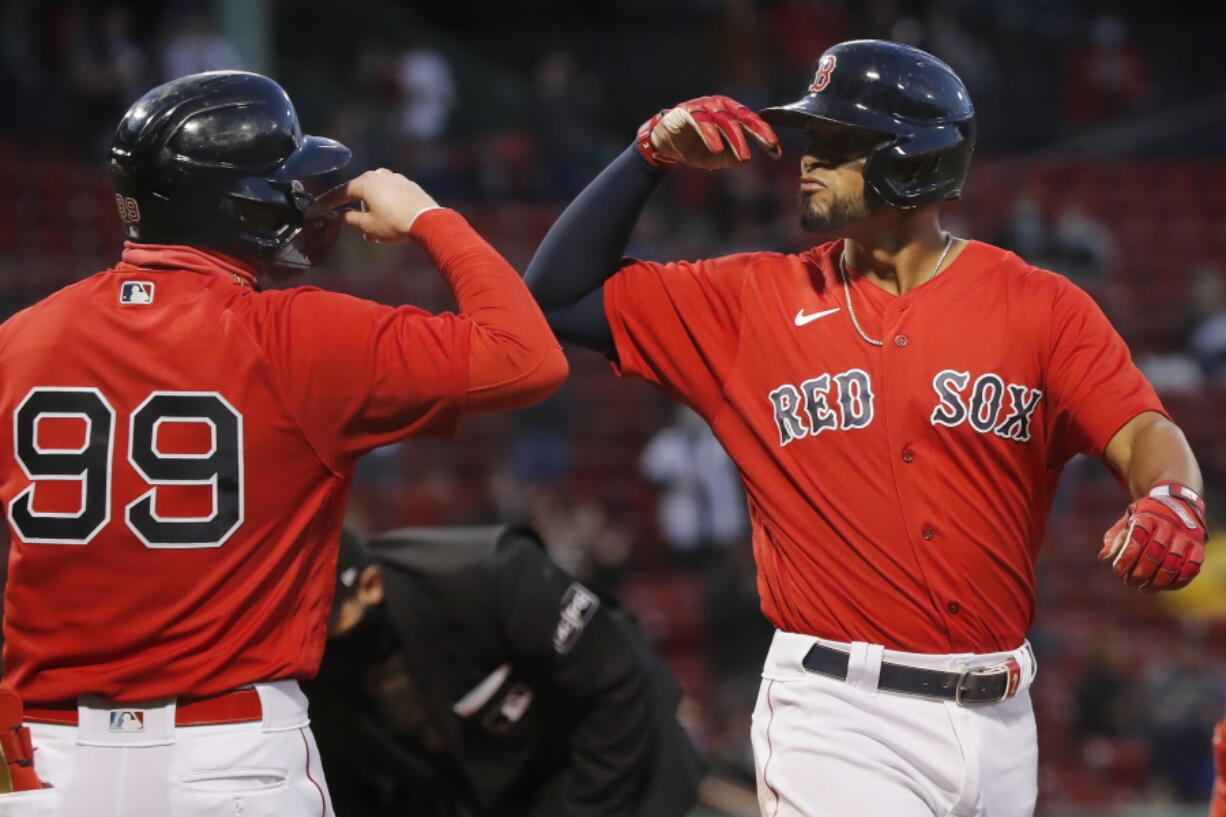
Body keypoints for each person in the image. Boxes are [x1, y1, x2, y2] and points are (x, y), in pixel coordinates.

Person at [525, 39, 1207, 816]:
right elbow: (554, 295)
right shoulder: (751, 302)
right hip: (839, 712)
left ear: (916, 162)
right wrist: (647, 154)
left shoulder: (1039, 306)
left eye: (840, 144)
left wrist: (1173, 495)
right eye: (813, 139)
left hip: (1003, 719)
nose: (808, 160)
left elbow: (1144, 430)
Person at [0, 71, 566, 816]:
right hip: (228, 754)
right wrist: (432, 218)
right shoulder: (299, 336)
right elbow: (529, 357)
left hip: (51, 759)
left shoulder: (21, 338)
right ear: (243, 205)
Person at [304, 525, 704, 817]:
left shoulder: (486, 573)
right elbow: (359, 790)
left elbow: (614, 684)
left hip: (625, 765)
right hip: (500, 789)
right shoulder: (306, 671)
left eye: (327, 626)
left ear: (370, 585)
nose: (319, 646)